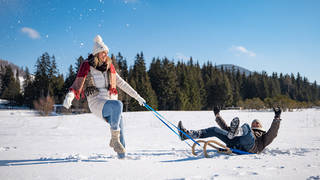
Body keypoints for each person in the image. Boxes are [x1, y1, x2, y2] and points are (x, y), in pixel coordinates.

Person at [63, 35, 146, 158]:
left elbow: (122, 83)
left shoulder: (109, 68)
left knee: (120, 128)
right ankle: (113, 139)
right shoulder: (87, 66)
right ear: (96, 53)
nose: (105, 55)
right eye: (103, 53)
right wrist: (70, 96)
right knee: (119, 105)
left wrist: (137, 97)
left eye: (106, 53)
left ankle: (122, 159)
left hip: (110, 102)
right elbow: (77, 82)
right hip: (96, 102)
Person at [178, 107, 282, 154]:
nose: (255, 123)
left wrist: (277, 118)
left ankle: (236, 133)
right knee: (215, 130)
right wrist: (217, 115)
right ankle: (187, 135)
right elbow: (226, 129)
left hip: (252, 146)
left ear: (260, 126)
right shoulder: (246, 130)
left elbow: (273, 133)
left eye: (257, 123)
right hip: (235, 142)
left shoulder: (263, 136)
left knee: (245, 127)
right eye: (253, 122)